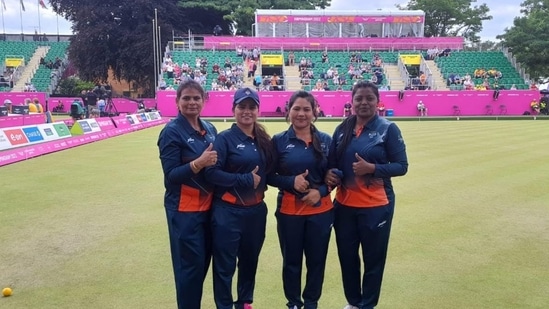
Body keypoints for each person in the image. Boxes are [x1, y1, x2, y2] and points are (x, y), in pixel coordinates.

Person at [325, 81, 408, 309]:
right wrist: (332, 174)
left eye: (369, 98)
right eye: (359, 98)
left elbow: (401, 166)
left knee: (373, 259)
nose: (363, 102)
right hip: (344, 206)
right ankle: (353, 303)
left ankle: (367, 305)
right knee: (348, 257)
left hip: (377, 206)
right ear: (352, 102)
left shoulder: (387, 129)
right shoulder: (342, 129)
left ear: (377, 101)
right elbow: (333, 163)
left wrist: (372, 169)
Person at [205, 87, 274, 309]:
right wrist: (243, 179)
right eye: (241, 106)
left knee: (250, 261)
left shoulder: (263, 139)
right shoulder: (224, 139)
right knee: (225, 265)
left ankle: (244, 302)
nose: (247, 111)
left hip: (255, 212)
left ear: (258, 110)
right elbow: (211, 173)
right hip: (228, 211)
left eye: (251, 107)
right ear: (233, 109)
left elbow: (272, 172)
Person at [268, 91, 334, 309]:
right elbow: (269, 176)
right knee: (292, 262)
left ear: (314, 112)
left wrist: (322, 191)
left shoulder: (326, 140)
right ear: (289, 111)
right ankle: (294, 303)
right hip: (289, 213)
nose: (301, 113)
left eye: (307, 109)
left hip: (321, 212)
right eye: (297, 108)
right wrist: (290, 182)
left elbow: (337, 173)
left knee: (316, 262)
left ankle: (311, 303)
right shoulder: (278, 141)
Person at [157, 79, 218, 309]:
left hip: (210, 210)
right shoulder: (171, 132)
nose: (192, 102)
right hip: (184, 212)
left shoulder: (210, 128)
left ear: (203, 101)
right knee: (189, 272)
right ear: (177, 102)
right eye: (186, 98)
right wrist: (198, 163)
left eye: (196, 98)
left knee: (202, 266)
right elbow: (171, 176)